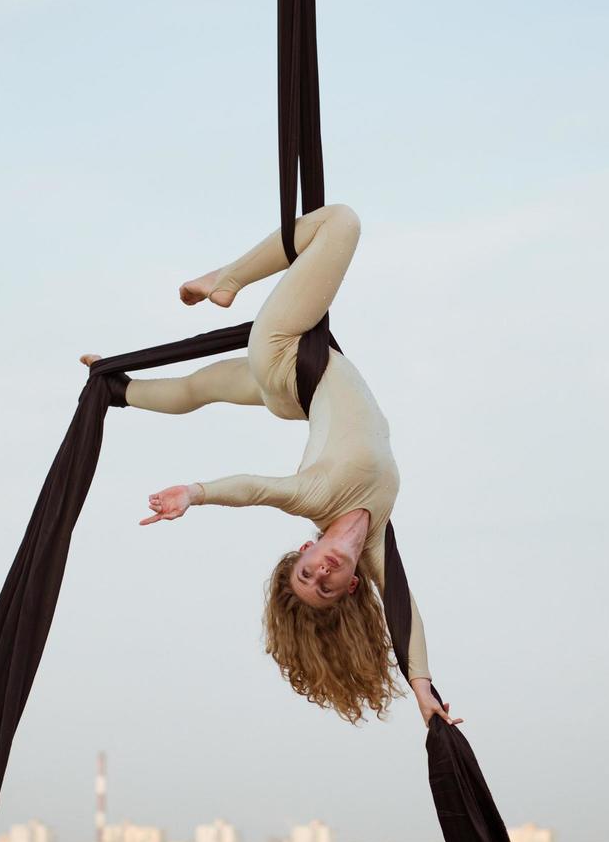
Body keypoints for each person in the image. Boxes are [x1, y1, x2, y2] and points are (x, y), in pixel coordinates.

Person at [80, 203, 460, 729]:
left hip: (284, 355)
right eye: (326, 585)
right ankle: (120, 392)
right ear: (351, 585)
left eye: (308, 573)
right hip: (294, 396)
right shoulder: (376, 547)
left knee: (342, 223)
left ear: (307, 549)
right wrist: (424, 691)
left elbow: (255, 488)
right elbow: (406, 620)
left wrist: (195, 492)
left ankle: (225, 278)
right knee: (198, 389)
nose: (322, 573)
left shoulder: (316, 497)